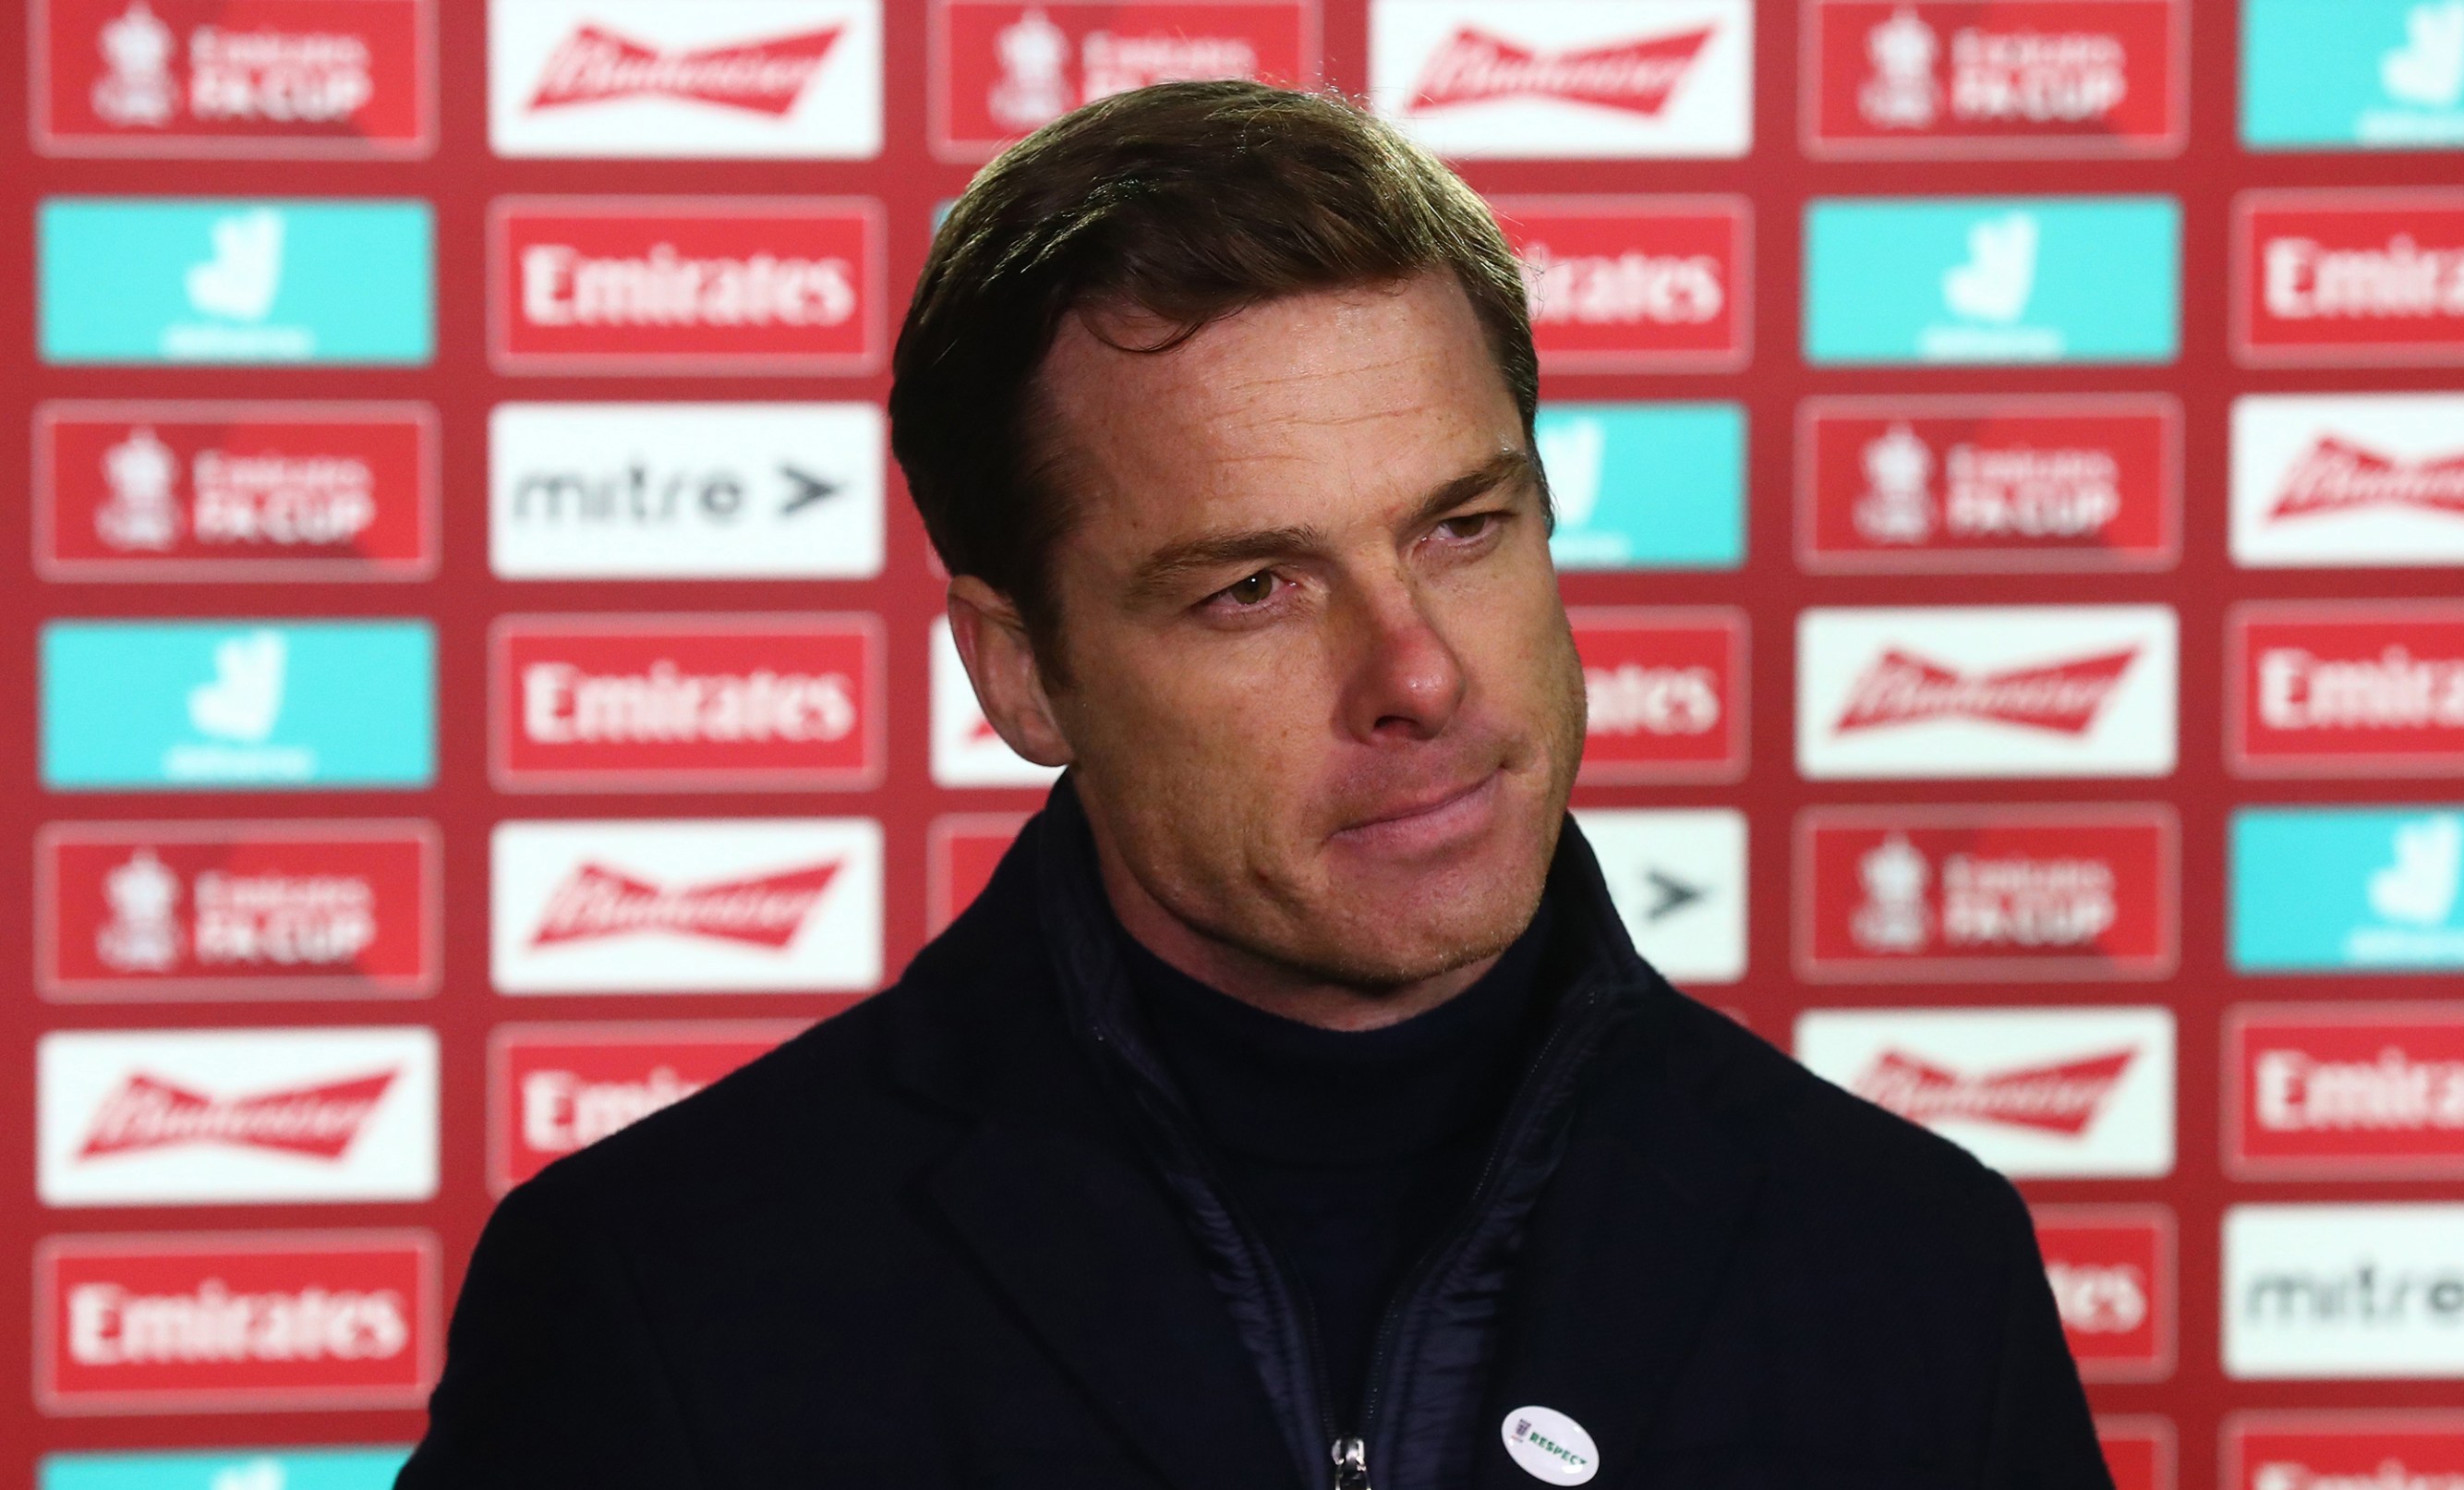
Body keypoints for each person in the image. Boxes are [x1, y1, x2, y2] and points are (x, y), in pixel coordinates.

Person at [401, 81, 2112, 1490]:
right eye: (1254, 589)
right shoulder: (662, 1298)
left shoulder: (1911, 1268)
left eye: (1463, 527)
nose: (1421, 673)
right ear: (1020, 669)